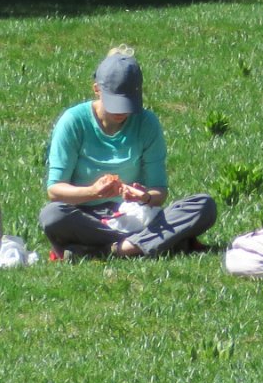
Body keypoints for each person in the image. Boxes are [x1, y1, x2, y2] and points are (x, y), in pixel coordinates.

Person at [40, 47, 217, 258]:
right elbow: (55, 191)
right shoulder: (73, 121)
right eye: (115, 103)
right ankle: (152, 243)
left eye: (127, 104)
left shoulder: (147, 122)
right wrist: (93, 192)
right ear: (96, 89)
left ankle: (112, 250)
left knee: (204, 205)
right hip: (87, 217)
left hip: (135, 214)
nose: (121, 111)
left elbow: (159, 191)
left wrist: (145, 197)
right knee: (52, 215)